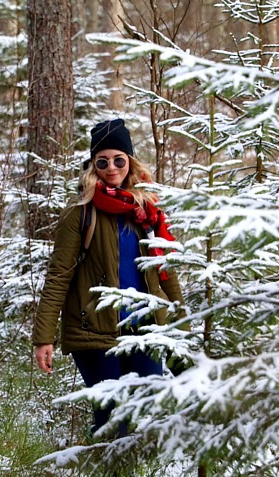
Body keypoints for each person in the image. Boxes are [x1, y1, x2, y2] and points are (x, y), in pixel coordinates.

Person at [32, 118, 185, 437]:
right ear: (93, 165)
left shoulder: (147, 212)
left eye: (119, 159)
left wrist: (182, 321)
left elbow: (165, 270)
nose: (112, 167)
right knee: (112, 417)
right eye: (103, 161)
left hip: (144, 329)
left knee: (145, 402)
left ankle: (125, 476)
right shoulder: (80, 214)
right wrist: (44, 337)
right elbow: (59, 275)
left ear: (130, 161)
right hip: (94, 332)